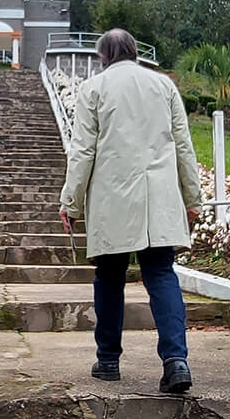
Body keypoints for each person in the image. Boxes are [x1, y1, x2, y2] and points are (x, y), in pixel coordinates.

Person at [59, 29, 202, 393]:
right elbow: (183, 146)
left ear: (102, 56)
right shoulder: (163, 86)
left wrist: (70, 203)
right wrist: (192, 199)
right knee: (161, 273)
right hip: (158, 197)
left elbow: (82, 152)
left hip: (113, 197)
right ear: (135, 52)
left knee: (109, 277)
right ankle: (176, 360)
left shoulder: (93, 89)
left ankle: (108, 360)